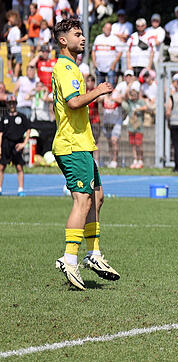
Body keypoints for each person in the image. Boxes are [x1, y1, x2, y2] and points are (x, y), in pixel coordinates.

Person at [51, 18, 120, 290]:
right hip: (71, 145)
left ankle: (94, 254)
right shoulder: (65, 67)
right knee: (82, 201)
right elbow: (74, 102)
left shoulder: (73, 67)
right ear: (63, 40)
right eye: (77, 34)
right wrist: (99, 91)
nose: (82, 38)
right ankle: (69, 258)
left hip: (82, 144)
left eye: (82, 34)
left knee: (97, 197)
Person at [0, 96, 32, 195]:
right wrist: (0, 147)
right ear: (7, 104)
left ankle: (20, 189)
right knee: (1, 167)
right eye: (10, 103)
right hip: (6, 144)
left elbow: (28, 130)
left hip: (17, 144)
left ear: (16, 104)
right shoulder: (4, 117)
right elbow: (0, 134)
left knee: (19, 167)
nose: (12, 105)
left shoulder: (21, 117)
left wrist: (24, 144)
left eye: (13, 103)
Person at [121, 82, 148, 169]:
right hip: (131, 127)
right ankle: (135, 160)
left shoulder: (140, 102)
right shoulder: (129, 102)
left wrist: (137, 109)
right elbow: (124, 97)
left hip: (139, 127)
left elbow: (145, 107)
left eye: (134, 95)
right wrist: (129, 85)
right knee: (133, 144)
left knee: (139, 144)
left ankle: (140, 159)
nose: (133, 97)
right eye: (132, 95)